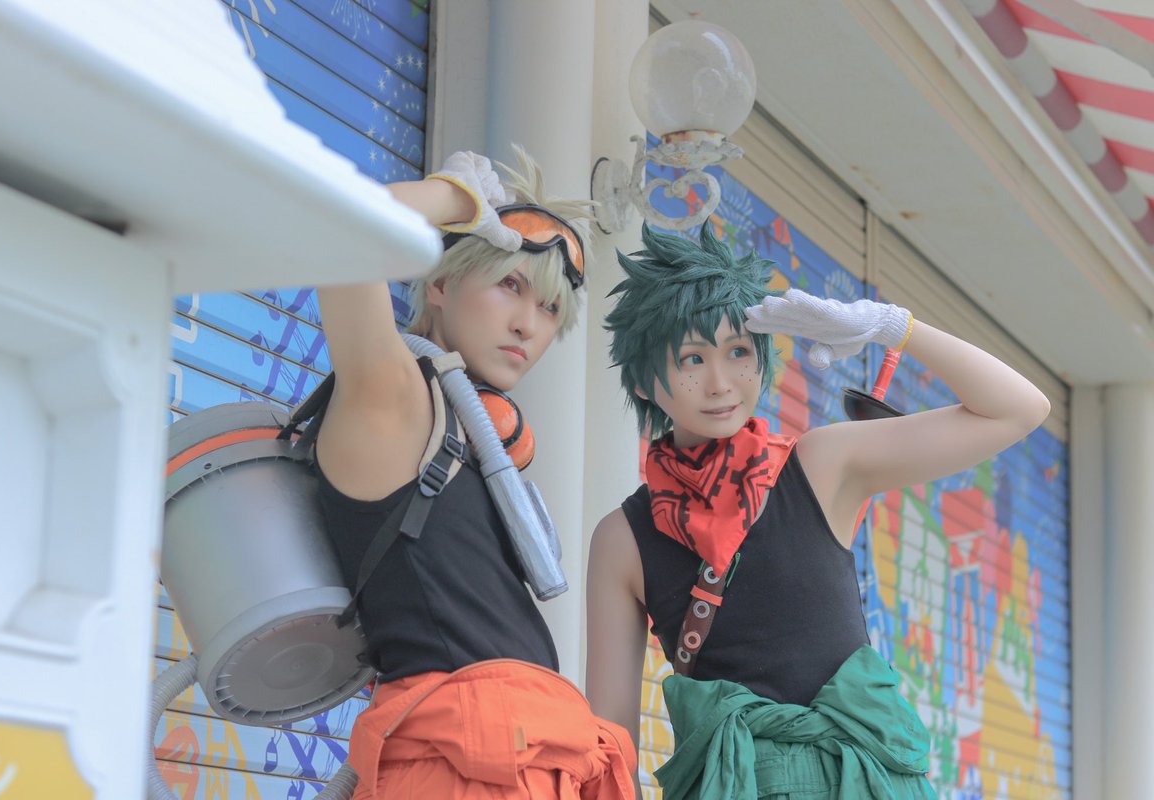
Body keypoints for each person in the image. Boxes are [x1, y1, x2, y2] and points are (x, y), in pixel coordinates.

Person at [585, 223, 1050, 799]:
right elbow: (611, 747)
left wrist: (893, 327)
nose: (721, 382)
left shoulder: (821, 465)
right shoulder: (623, 539)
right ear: (644, 381)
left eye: (738, 351)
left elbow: (1019, 409)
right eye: (691, 359)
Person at [316, 148, 635, 799]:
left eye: (550, 308)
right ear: (439, 282)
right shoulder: (393, 398)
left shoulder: (466, 430)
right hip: (462, 769)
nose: (528, 324)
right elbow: (339, 228)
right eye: (510, 285)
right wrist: (454, 198)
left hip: (524, 758)